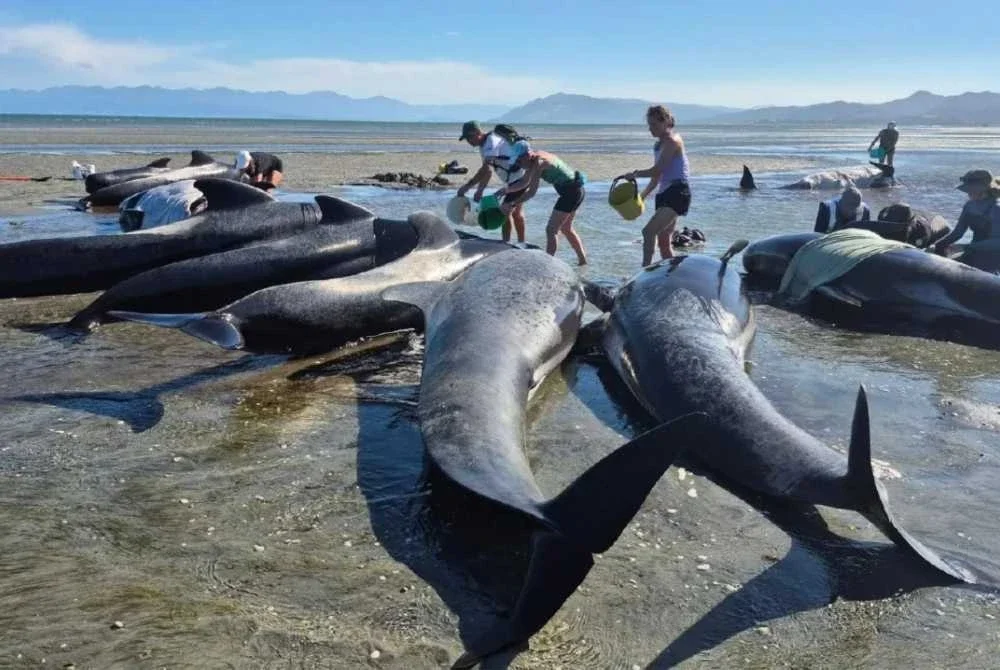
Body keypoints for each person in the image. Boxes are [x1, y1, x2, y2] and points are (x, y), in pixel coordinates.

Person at [623, 105, 691, 266]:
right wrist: (642, 197)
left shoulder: (673, 142)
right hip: (664, 193)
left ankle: (644, 270)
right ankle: (671, 275)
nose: (650, 129)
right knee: (663, 242)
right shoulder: (658, 145)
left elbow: (657, 169)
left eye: (654, 124)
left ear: (666, 121)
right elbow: (657, 177)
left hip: (677, 192)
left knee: (648, 232)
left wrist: (635, 174)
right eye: (649, 124)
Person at [498, 146, 588, 265]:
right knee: (566, 228)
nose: (518, 165)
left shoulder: (539, 163)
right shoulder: (536, 158)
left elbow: (531, 192)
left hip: (571, 193)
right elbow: (524, 182)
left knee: (551, 230)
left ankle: (547, 264)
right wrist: (504, 191)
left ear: (527, 155)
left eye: (519, 161)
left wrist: (513, 203)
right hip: (576, 190)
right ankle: (583, 261)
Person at [456, 121, 528, 243]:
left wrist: (471, 188)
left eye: (469, 137)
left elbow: (486, 169)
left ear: (478, 133)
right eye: (466, 139)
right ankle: (519, 243)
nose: (468, 141)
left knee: (505, 211)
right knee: (515, 213)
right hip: (513, 179)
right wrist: (476, 188)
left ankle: (508, 243)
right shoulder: (483, 146)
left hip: (519, 178)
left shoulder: (491, 142)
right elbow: (486, 170)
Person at [932, 169, 1000, 254]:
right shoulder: (969, 206)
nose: (968, 193)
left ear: (983, 190)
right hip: (974, 251)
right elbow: (958, 233)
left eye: (971, 191)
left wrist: (965, 247)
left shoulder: (997, 208)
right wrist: (937, 245)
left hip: (995, 256)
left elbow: (997, 242)